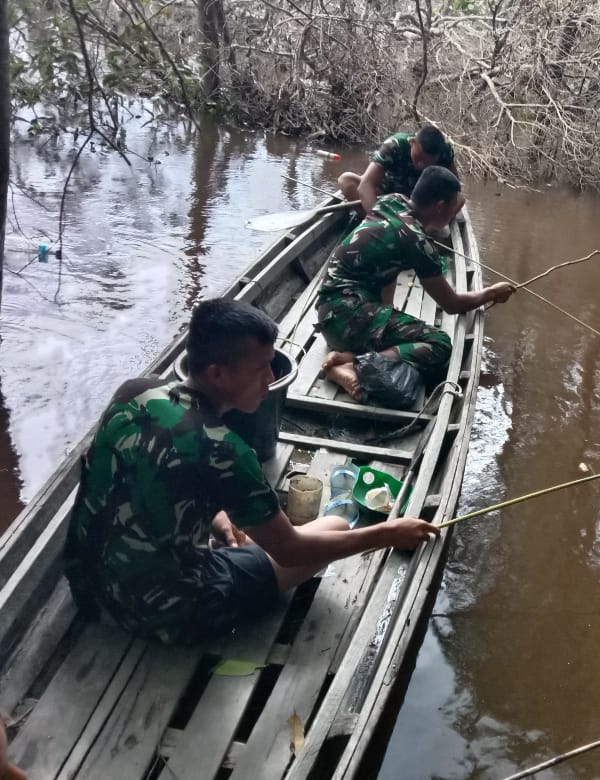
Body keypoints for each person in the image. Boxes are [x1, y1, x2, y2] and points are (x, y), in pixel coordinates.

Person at [63, 299, 439, 645]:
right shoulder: (225, 450)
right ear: (218, 374)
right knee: (336, 527)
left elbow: (137, 476)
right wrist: (386, 533)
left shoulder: (135, 392)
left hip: (89, 588)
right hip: (168, 614)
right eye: (261, 369)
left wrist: (217, 517)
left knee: (236, 532)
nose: (269, 379)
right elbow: (292, 551)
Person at [317, 165, 513, 401]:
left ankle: (351, 354)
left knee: (394, 325)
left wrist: (387, 311)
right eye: (453, 208)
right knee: (439, 344)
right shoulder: (417, 242)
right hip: (347, 321)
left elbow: (388, 273)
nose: (453, 213)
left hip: (327, 311)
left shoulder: (392, 201)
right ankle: (352, 365)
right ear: (440, 206)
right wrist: (491, 293)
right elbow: (452, 304)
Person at [338, 125, 457, 213]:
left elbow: (455, 191)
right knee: (346, 180)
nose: (421, 165)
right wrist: (377, 218)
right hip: (385, 196)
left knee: (454, 202)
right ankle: (370, 221)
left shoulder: (445, 152)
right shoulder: (394, 145)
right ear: (412, 142)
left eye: (428, 162)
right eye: (419, 158)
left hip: (417, 204)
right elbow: (366, 185)